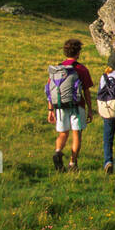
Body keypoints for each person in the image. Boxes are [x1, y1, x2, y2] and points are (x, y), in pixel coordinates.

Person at [46, 38, 93, 172]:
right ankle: (72, 163)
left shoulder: (56, 70)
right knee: (76, 134)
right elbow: (86, 92)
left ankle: (58, 151)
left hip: (59, 106)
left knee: (62, 134)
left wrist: (50, 110)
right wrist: (90, 110)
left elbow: (51, 90)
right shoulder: (81, 69)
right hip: (77, 106)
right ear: (78, 53)